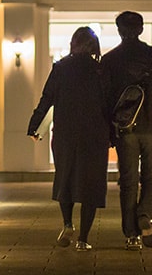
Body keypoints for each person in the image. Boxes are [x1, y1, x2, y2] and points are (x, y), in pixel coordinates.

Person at [27, 26, 110, 251]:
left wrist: (34, 127)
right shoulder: (100, 70)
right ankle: (83, 239)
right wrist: (112, 134)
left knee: (65, 177)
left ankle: (67, 223)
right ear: (94, 46)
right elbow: (108, 105)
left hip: (65, 134)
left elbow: (47, 99)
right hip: (94, 135)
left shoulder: (61, 68)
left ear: (74, 44)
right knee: (90, 184)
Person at [100, 10, 152, 250]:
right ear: (141, 30)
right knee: (151, 177)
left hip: (126, 129)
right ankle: (144, 215)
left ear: (119, 30)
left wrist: (108, 132)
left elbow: (104, 98)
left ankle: (131, 235)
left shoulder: (110, 59)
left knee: (128, 181)